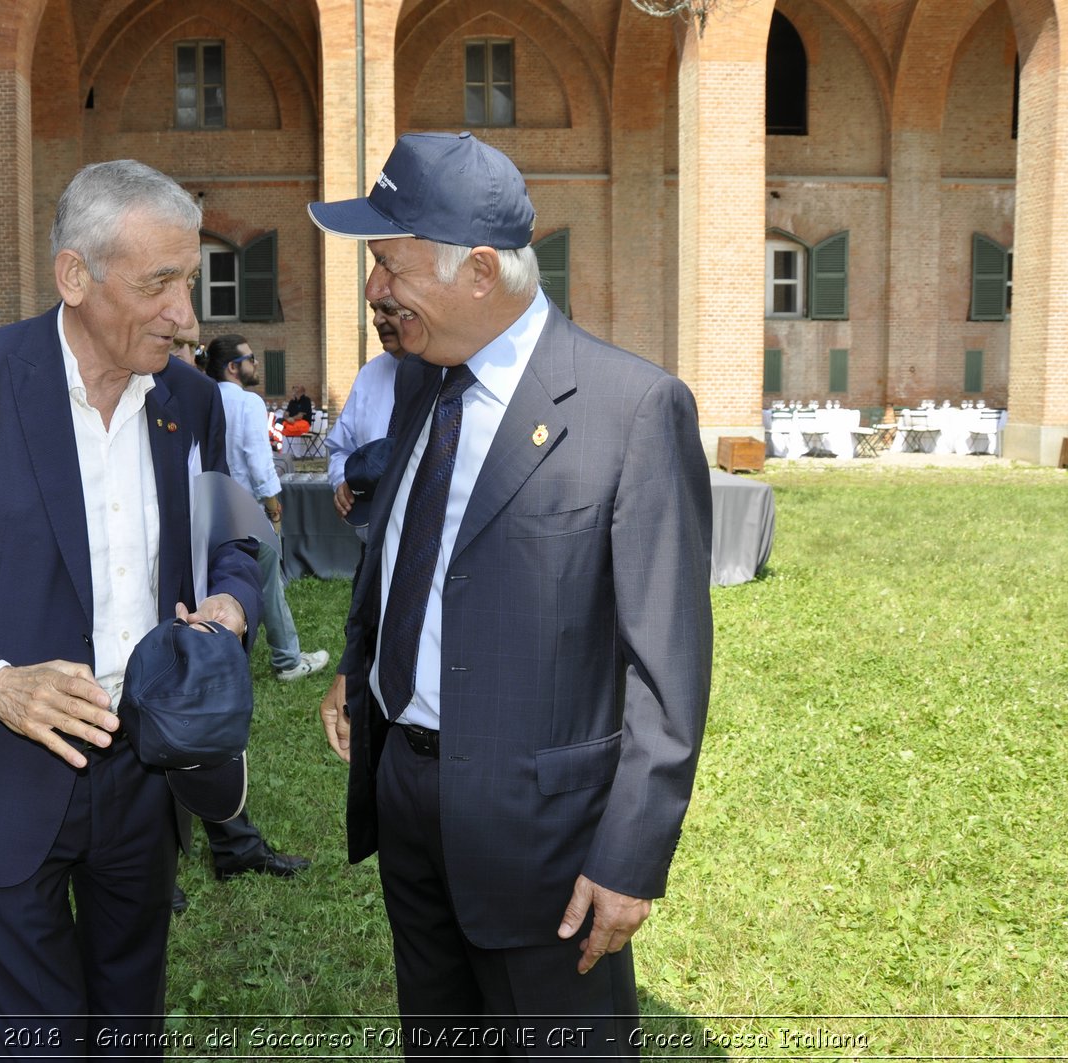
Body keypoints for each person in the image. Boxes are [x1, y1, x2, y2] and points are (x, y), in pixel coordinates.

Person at [0, 159, 263, 1058]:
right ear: (75, 276)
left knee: (128, 1027)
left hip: (147, 774)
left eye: (189, 280)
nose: (189, 315)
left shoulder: (190, 398)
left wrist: (234, 597)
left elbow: (234, 534)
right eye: (161, 285)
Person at [309, 131, 713, 1057]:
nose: (373, 291)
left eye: (388, 265)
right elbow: (405, 541)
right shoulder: (419, 383)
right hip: (409, 795)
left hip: (546, 841)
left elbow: (669, 666)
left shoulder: (631, 410)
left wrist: (629, 857)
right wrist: (363, 665)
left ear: (479, 270)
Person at [206, 336, 330, 682]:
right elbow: (259, 461)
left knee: (215, 587)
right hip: (247, 511)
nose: (256, 364)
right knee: (269, 585)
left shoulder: (202, 397)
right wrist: (274, 508)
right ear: (233, 366)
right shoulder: (248, 403)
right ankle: (288, 660)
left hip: (207, 512)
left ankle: (215, 662)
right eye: (251, 358)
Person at [326, 301, 408, 522]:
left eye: (388, 309)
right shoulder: (369, 375)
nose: (376, 320)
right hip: (371, 542)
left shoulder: (448, 375)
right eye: (374, 310)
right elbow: (341, 449)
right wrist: (343, 481)